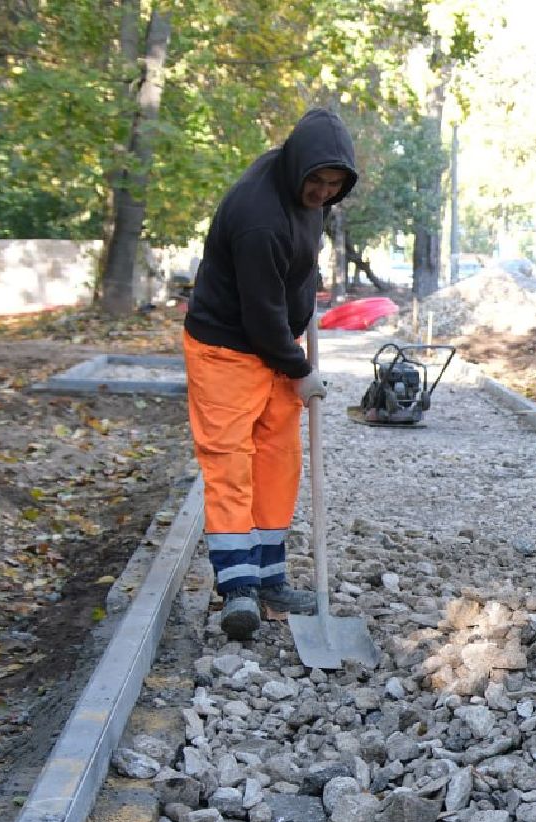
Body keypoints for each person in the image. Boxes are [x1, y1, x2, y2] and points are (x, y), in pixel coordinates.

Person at [182, 108, 358, 641]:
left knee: (279, 461)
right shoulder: (258, 215)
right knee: (231, 462)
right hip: (227, 349)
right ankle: (238, 589)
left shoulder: (302, 187)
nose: (323, 193)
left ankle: (270, 581)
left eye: (334, 185)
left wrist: (309, 290)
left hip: (277, 344)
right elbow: (260, 316)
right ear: (296, 168)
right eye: (317, 182)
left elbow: (296, 260)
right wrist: (300, 368)